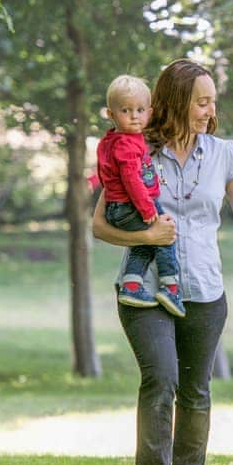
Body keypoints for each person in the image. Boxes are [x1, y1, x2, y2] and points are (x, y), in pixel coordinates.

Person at [93, 59, 233, 465]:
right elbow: (100, 225)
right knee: (160, 378)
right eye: (201, 101)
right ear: (176, 102)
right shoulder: (135, 148)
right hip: (145, 289)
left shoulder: (224, 152)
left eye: (212, 101)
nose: (210, 110)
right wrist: (145, 235)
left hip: (205, 289)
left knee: (195, 388)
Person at [96, 75, 185, 317]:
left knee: (142, 244)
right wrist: (148, 211)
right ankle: (171, 287)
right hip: (133, 205)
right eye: (126, 110)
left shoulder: (110, 141)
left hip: (118, 205)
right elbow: (132, 180)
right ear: (111, 115)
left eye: (140, 110)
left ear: (150, 112)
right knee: (164, 235)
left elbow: (104, 174)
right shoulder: (126, 144)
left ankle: (132, 286)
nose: (134, 116)